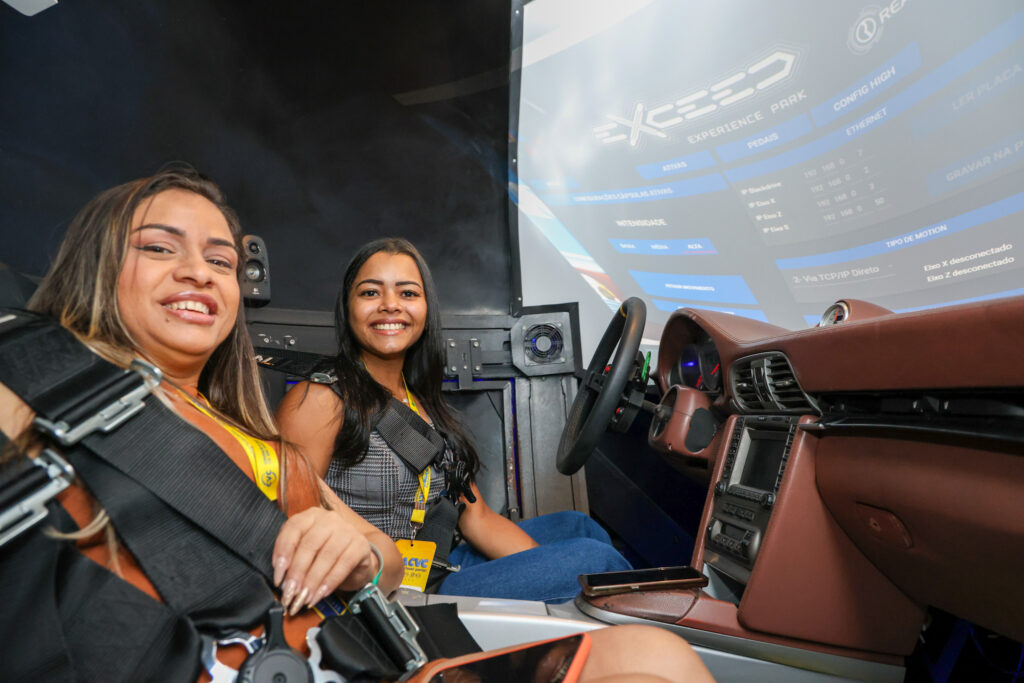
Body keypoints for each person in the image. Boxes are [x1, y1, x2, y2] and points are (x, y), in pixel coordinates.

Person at [0, 168, 714, 682]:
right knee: (598, 569)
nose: (198, 271)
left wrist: (360, 547)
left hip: (368, 633)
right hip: (362, 623)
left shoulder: (256, 434)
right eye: (160, 247)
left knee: (634, 618)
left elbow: (416, 538)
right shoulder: (41, 382)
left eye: (220, 259)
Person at [276, 237, 632, 604]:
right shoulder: (318, 399)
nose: (390, 306)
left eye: (408, 294)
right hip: (395, 592)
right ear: (348, 307)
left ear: (426, 309)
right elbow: (295, 514)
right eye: (370, 293)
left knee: (580, 527)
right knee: (597, 560)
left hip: (438, 561)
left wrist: (542, 565)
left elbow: (477, 519)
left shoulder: (420, 402)